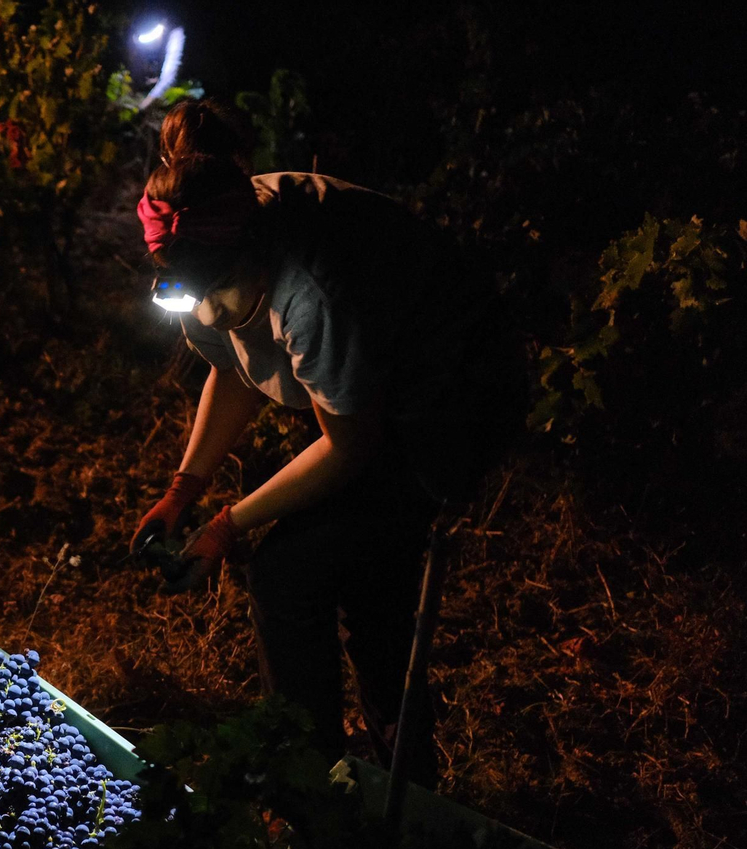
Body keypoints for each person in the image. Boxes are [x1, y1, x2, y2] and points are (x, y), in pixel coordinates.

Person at [129, 100, 525, 787]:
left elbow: (350, 444)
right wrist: (183, 491)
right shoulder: (204, 248)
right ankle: (374, 787)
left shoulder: (311, 292)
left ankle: (321, 787)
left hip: (449, 393)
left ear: (250, 261)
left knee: (299, 574)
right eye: (183, 294)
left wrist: (227, 524)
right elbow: (236, 365)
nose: (199, 313)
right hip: (370, 389)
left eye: (210, 294)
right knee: (355, 579)